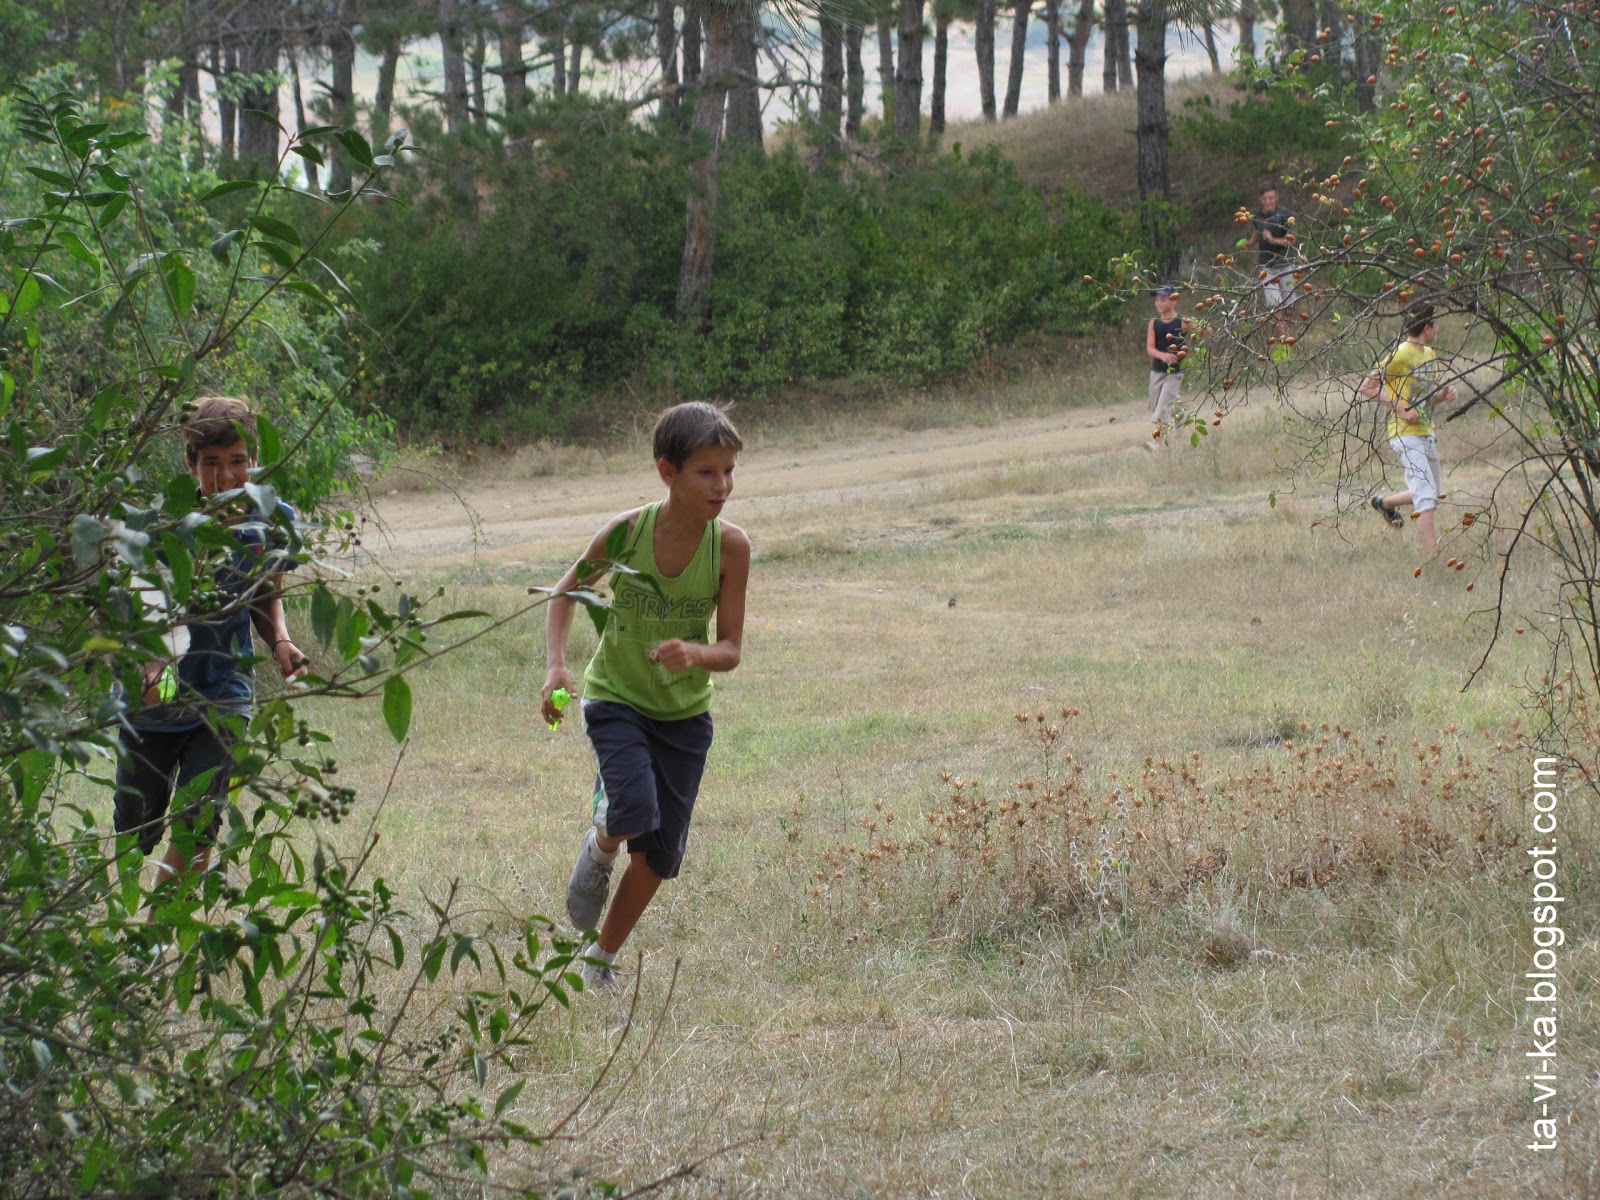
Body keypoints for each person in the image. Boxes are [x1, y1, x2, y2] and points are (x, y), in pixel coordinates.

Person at [542, 402, 750, 994]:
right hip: (617, 700)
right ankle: (602, 844)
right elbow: (564, 593)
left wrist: (696, 652)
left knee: (660, 856)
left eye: (730, 470)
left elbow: (731, 648)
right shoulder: (627, 533)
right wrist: (557, 667)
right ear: (668, 471)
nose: (723, 486)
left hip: (684, 715)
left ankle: (600, 960)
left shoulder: (730, 548)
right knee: (633, 809)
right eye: (706, 472)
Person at [115, 395, 307, 890]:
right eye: (212, 464)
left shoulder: (272, 520)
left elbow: (266, 594)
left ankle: (158, 938)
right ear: (189, 465)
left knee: (199, 820)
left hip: (225, 691)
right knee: (135, 827)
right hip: (154, 702)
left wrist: (280, 641)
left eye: (239, 461)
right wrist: (152, 667)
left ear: (255, 459)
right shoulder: (161, 525)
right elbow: (143, 609)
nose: (226, 478)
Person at [1361, 303, 1460, 550]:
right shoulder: (1401, 354)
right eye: (1435, 325)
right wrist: (1400, 407)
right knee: (1425, 495)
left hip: (1426, 431)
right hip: (1405, 435)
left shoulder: (1429, 354)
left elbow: (1427, 397)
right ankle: (1433, 553)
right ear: (1427, 328)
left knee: (1432, 493)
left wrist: (1443, 395)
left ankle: (1384, 504)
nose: (1437, 329)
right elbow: (1366, 387)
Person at [1144, 284, 1199, 450]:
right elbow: (1150, 348)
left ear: (1174, 301)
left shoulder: (1183, 321)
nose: (1158, 303)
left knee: (1162, 409)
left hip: (1174, 373)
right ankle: (1180, 413)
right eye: (1157, 300)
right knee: (1156, 405)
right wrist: (1163, 355)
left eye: (1163, 299)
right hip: (1157, 371)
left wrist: (1204, 328)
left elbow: (1204, 329)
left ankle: (1157, 443)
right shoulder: (1154, 323)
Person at [1245, 183, 1297, 346]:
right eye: (1265, 198)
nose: (1268, 201)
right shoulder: (1256, 216)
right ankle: (1284, 345)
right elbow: (1257, 230)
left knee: (1290, 307)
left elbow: (1292, 240)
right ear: (1261, 199)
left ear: (1276, 198)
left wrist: (1272, 240)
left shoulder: (1285, 215)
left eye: (1270, 198)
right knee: (1276, 309)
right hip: (1267, 268)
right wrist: (1250, 243)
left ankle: (1293, 337)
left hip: (1286, 265)